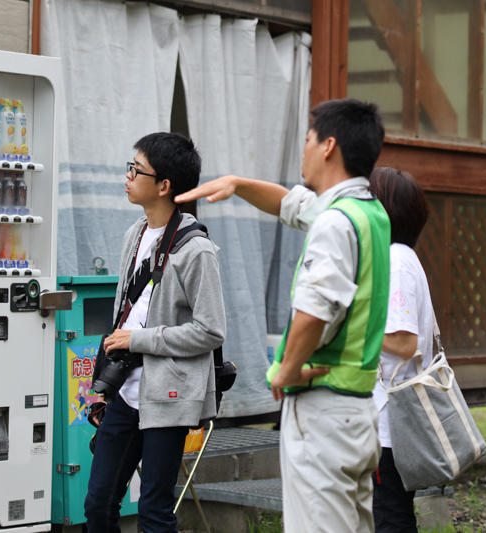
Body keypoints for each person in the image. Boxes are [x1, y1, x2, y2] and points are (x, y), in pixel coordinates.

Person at [176, 98, 389, 532]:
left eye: (308, 140)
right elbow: (291, 204)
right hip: (358, 413)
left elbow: (315, 310)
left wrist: (284, 370)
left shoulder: (334, 223)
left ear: (328, 146)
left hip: (323, 412)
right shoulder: (368, 213)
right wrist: (237, 182)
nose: (303, 150)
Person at [84, 132, 226, 533]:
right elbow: (125, 314)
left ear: (164, 186)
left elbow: (211, 330)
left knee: (154, 512)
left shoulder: (195, 250)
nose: (127, 176)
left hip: (169, 395)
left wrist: (140, 340)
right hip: (125, 392)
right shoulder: (134, 234)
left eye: (136, 169)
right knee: (97, 505)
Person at [368, 167, 434, 532]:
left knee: (388, 517)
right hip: (395, 419)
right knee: (392, 513)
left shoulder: (393, 261)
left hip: (389, 421)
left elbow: (403, 343)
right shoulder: (403, 257)